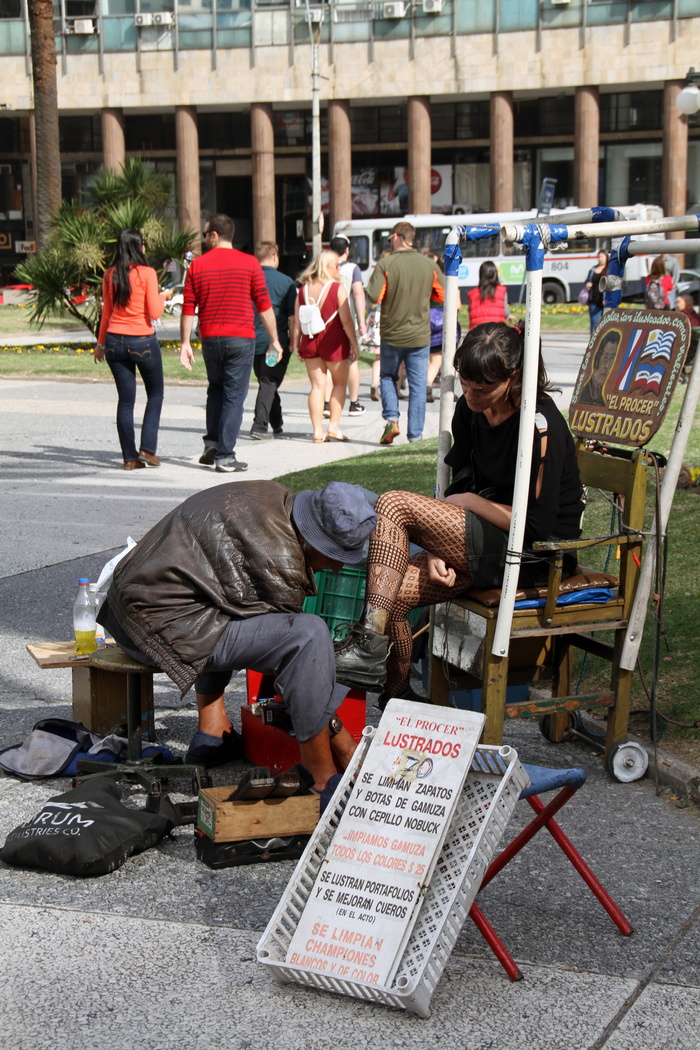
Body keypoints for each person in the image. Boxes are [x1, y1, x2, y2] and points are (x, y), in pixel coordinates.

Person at [333, 322, 585, 705]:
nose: (470, 395)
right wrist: (438, 548)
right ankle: (397, 696)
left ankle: (367, 645)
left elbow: (537, 524)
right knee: (395, 595)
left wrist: (468, 502)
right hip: (478, 539)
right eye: (465, 385)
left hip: (532, 554)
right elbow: (457, 484)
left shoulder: (540, 424)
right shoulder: (470, 411)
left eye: (482, 389)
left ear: (513, 379)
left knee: (392, 503)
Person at [98, 480, 377, 796]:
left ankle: (212, 732)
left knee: (229, 602)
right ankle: (321, 776)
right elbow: (301, 665)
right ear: (313, 542)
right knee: (308, 635)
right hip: (152, 629)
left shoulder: (275, 496)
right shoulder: (280, 559)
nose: (340, 565)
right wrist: (344, 743)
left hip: (128, 607)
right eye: (336, 554)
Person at [180, 214, 283, 473]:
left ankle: (212, 443)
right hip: (240, 338)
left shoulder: (197, 266)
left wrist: (184, 342)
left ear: (214, 235)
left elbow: (188, 308)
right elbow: (264, 305)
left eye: (205, 235)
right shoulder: (249, 263)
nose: (204, 240)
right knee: (234, 396)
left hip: (210, 338)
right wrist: (275, 340)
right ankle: (225, 456)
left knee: (215, 389)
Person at [94, 228, 172, 470]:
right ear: (139, 247)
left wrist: (100, 343)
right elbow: (155, 312)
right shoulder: (147, 273)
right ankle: (147, 449)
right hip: (142, 341)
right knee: (155, 394)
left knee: (125, 401)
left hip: (114, 341)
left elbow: (106, 313)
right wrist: (164, 297)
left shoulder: (110, 274)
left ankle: (129, 458)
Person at [367, 221, 445, 445]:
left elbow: (374, 297)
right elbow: (441, 295)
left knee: (388, 377)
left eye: (391, 238)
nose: (390, 241)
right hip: (420, 336)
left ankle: (392, 419)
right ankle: (416, 436)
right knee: (418, 386)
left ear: (398, 237)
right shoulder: (428, 264)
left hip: (392, 335)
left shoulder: (386, 264)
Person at [291, 249, 359, 443]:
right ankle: (334, 427)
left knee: (317, 386)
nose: (339, 269)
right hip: (334, 340)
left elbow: (297, 321)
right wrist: (354, 344)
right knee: (339, 383)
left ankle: (317, 431)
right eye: (336, 265)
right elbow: (346, 321)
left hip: (310, 340)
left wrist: (296, 345)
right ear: (326, 267)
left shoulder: (303, 289)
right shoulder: (337, 288)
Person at [249, 241, 298, 440]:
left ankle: (276, 424)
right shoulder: (286, 283)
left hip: (252, 341)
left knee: (267, 381)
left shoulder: (248, 280)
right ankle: (260, 426)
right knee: (269, 381)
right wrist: (294, 342)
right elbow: (292, 317)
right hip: (276, 341)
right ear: (275, 256)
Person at [329, 233, 367, 416]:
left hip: (326, 322)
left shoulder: (324, 268)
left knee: (328, 362)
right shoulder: (353, 269)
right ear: (347, 250)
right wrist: (362, 322)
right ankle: (354, 402)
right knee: (352, 360)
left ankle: (327, 403)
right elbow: (358, 293)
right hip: (347, 319)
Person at [579, 329, 621, 407]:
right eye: (605, 357)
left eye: (612, 358)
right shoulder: (586, 392)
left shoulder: (607, 392)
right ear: (598, 357)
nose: (607, 365)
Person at [467, 260, 510, 331]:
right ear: (495, 274)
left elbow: (470, 311)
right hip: (497, 331)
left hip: (476, 332)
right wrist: (509, 316)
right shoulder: (502, 291)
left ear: (480, 275)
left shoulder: (472, 293)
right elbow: (506, 313)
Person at [584, 250, 609, 332]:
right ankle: (593, 342)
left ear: (606, 258)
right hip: (594, 299)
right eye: (599, 257)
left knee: (606, 324)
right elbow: (587, 280)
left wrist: (606, 298)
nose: (600, 259)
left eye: (602, 257)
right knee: (594, 323)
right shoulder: (593, 269)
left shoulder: (609, 270)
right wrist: (588, 284)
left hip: (605, 301)